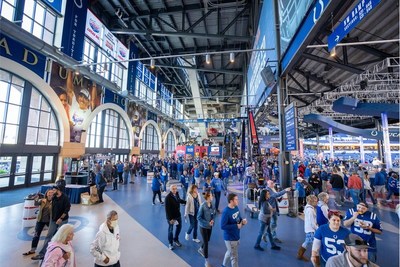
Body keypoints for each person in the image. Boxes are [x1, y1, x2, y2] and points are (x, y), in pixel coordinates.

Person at [32, 185, 71, 261]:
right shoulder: (54, 197)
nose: (52, 192)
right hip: (53, 220)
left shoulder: (65, 198)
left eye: (54, 190)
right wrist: (38, 198)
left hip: (63, 220)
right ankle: (43, 253)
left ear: (58, 190)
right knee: (49, 235)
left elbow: (67, 209)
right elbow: (45, 200)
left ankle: (65, 251)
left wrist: (61, 218)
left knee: (63, 236)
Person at [23, 190, 53, 256]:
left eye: (52, 192)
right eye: (49, 192)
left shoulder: (54, 202)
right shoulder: (42, 200)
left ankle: (52, 248)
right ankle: (32, 250)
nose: (50, 194)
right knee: (36, 235)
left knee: (52, 234)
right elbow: (36, 203)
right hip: (40, 221)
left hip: (49, 221)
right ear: (46, 194)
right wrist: (36, 198)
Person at [221, 193, 248, 267]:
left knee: (230, 252)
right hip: (230, 238)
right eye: (236, 199)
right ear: (231, 201)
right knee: (234, 258)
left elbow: (238, 218)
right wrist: (236, 226)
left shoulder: (236, 208)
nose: (238, 201)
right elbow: (223, 226)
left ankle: (223, 265)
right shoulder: (226, 212)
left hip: (236, 235)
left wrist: (242, 221)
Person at [165, 184, 186, 250]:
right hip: (171, 217)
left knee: (179, 227)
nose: (175, 190)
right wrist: (170, 219)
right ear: (170, 189)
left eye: (175, 188)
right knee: (170, 230)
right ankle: (170, 243)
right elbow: (167, 209)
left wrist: (186, 202)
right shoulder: (168, 198)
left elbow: (179, 200)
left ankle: (176, 239)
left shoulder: (177, 194)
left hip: (178, 215)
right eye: (173, 189)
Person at [297, 195, 318, 261]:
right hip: (311, 229)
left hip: (308, 228)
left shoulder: (308, 208)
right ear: (312, 202)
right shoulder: (310, 210)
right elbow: (312, 222)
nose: (317, 202)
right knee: (314, 244)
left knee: (307, 242)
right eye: (315, 201)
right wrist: (317, 228)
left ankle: (300, 255)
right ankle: (315, 257)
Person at [197, 192, 216, 267]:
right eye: (211, 196)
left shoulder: (212, 205)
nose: (212, 197)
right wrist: (208, 223)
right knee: (206, 243)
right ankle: (206, 261)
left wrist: (212, 220)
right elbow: (198, 217)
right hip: (203, 226)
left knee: (207, 240)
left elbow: (214, 214)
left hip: (210, 226)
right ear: (208, 197)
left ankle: (201, 249)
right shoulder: (202, 206)